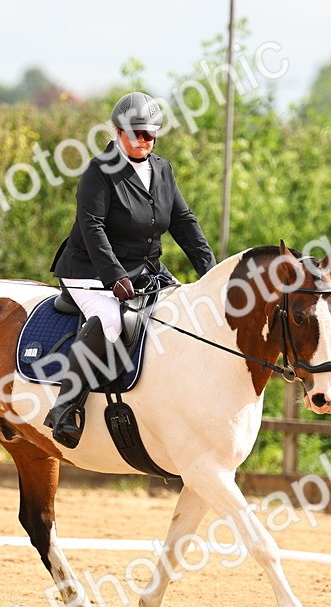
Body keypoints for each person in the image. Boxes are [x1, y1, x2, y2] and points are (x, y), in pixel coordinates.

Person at [43, 91, 217, 448]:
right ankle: (65, 407)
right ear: (118, 131)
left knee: (183, 316)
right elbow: (92, 227)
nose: (143, 141)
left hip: (144, 270)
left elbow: (183, 222)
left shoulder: (163, 170)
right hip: (90, 271)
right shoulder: (100, 171)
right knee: (111, 321)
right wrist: (114, 276)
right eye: (135, 134)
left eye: (149, 135)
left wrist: (211, 271)